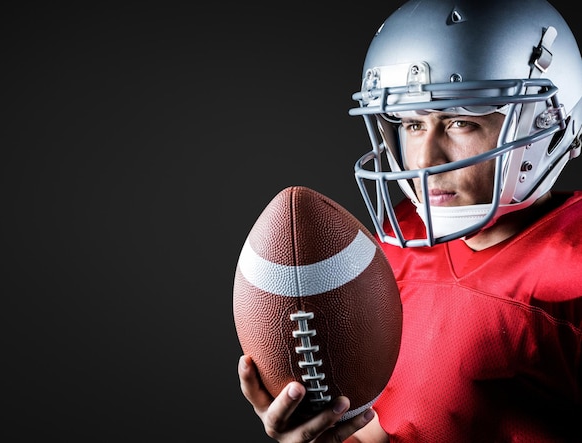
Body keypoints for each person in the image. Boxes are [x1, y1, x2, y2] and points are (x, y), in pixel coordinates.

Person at [237, 0, 582, 441]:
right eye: (412, 124)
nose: (424, 160)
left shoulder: (572, 269)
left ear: (548, 122)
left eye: (460, 121)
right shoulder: (400, 242)